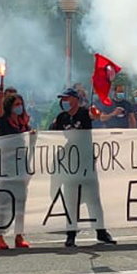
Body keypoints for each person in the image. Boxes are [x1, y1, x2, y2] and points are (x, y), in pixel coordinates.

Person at [50, 88, 117, 247]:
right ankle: (71, 234)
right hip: (70, 163)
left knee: (93, 199)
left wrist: (96, 114)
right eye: (62, 99)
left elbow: (96, 116)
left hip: (86, 162)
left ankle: (101, 232)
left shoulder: (85, 113)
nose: (64, 101)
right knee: (71, 199)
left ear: (75, 99)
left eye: (67, 98)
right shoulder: (61, 117)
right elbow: (52, 135)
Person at [0, 93, 33, 250]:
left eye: (20, 104)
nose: (19, 107)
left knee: (20, 202)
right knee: (2, 202)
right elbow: (0, 114)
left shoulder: (23, 124)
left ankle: (19, 235)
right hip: (5, 168)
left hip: (21, 167)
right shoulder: (4, 121)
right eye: (16, 104)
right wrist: (0, 99)